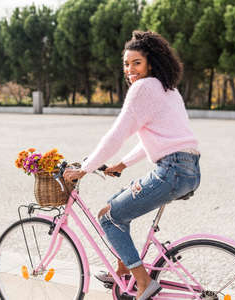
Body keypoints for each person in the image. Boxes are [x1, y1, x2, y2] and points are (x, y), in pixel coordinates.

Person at [63, 30, 201, 300]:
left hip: (171, 170)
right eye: (126, 64)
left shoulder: (143, 88)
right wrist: (122, 165)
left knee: (108, 217)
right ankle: (123, 269)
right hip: (188, 167)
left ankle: (143, 282)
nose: (130, 70)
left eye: (136, 63)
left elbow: (117, 135)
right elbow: (158, 139)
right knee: (114, 204)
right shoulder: (168, 89)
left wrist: (86, 167)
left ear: (151, 62)